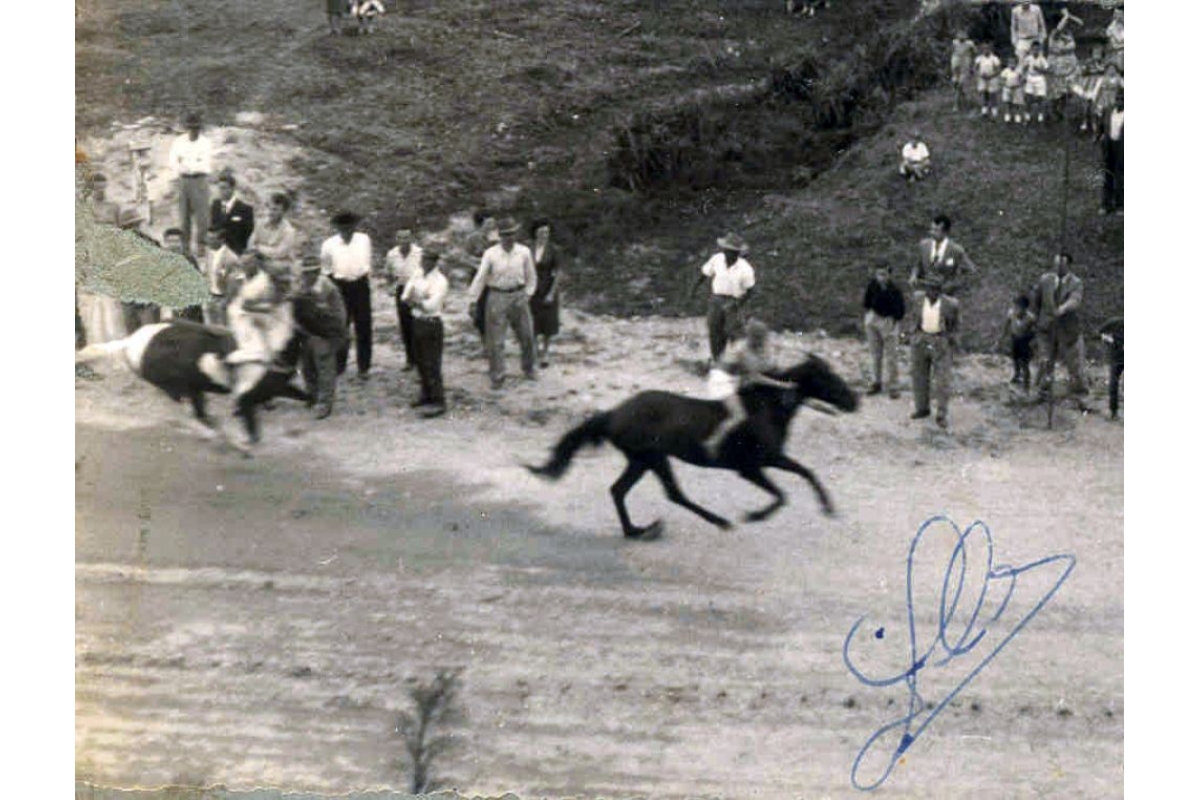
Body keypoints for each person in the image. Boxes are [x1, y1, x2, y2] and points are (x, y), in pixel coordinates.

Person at [702, 320, 795, 458]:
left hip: (737, 379)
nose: (766, 341)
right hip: (721, 381)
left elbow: (767, 367)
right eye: (763, 338)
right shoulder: (742, 351)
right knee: (739, 416)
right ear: (756, 338)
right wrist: (783, 385)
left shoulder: (753, 348)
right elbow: (756, 377)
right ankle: (713, 442)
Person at [468, 217, 538, 390]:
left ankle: (529, 368)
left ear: (516, 233)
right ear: (499, 236)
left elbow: (532, 277)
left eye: (512, 233)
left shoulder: (524, 252)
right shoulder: (490, 253)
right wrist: (473, 300)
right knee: (496, 340)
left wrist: (527, 295)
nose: (509, 238)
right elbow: (480, 278)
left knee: (527, 335)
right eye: (505, 235)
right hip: (497, 296)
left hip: (518, 295)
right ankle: (498, 375)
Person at [320, 210, 374, 379]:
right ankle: (339, 365)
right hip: (340, 286)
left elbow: (367, 263)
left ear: (354, 227)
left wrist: (363, 278)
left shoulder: (364, 240)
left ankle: (363, 367)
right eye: (342, 229)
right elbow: (326, 269)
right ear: (337, 228)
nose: (346, 232)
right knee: (341, 326)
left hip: (360, 284)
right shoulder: (329, 244)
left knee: (364, 326)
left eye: (349, 228)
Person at [293, 255, 347, 419]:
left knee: (325, 367)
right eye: (304, 272)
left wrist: (335, 336)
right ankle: (313, 394)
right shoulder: (301, 286)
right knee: (307, 366)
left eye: (310, 272)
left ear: (317, 272)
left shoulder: (327, 288)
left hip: (327, 332)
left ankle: (325, 402)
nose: (307, 275)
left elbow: (339, 316)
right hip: (308, 331)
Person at [402, 239, 451, 416]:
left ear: (434, 261)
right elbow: (405, 296)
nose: (423, 262)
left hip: (432, 324)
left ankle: (439, 400)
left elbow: (431, 305)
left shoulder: (441, 280)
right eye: (423, 258)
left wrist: (417, 299)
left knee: (432, 363)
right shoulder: (417, 274)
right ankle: (426, 394)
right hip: (417, 322)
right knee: (420, 361)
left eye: (428, 259)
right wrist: (419, 299)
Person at [690, 233, 756, 363]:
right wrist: (693, 290)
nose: (729, 254)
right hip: (716, 299)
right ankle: (717, 361)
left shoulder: (745, 269)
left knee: (735, 333)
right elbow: (704, 274)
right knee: (714, 330)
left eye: (733, 252)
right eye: (727, 251)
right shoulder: (716, 259)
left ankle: (742, 363)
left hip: (733, 301)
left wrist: (737, 304)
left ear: (738, 253)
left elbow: (750, 291)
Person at [1030, 252, 1087, 404]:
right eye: (1055, 264)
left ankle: (1080, 396)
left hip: (1068, 329)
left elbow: (1075, 300)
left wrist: (1062, 309)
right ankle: (1042, 392)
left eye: (1061, 265)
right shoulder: (1045, 279)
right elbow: (1036, 300)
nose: (1057, 267)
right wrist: (1033, 318)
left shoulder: (1076, 283)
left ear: (1068, 265)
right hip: (1046, 329)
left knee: (1075, 365)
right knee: (1045, 361)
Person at [908, 276, 960, 429]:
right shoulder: (917, 298)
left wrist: (951, 339)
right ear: (925, 288)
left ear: (941, 289)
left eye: (936, 288)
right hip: (921, 338)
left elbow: (956, 324)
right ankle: (922, 408)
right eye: (929, 288)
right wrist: (914, 334)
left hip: (940, 340)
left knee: (942, 378)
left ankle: (941, 413)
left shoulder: (951, 304)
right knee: (919, 375)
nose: (932, 291)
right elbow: (913, 315)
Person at [226, 253, 296, 366]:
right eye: (243, 263)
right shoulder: (255, 285)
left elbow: (282, 301)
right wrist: (267, 308)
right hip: (244, 314)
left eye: (249, 263)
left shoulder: (272, 285)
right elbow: (243, 305)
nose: (283, 284)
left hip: (266, 315)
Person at [167, 111, 213, 256]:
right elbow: (173, 162)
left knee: (202, 217)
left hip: (200, 180)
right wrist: (188, 165)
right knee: (183, 216)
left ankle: (201, 246)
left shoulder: (206, 143)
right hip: (183, 181)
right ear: (187, 128)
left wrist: (187, 164)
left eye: (196, 128)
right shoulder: (179, 142)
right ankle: (185, 247)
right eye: (191, 128)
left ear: (200, 128)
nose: (194, 131)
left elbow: (206, 164)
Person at [862, 262, 905, 398]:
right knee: (875, 354)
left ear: (889, 275)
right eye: (878, 274)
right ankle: (876, 383)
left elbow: (901, 309)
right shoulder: (872, 285)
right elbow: (866, 302)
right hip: (873, 319)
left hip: (888, 321)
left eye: (884, 274)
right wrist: (870, 316)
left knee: (891, 356)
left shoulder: (895, 290)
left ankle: (894, 386)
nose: (881, 277)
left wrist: (893, 321)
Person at [910, 214, 976, 297]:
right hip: (925, 294)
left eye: (936, 230)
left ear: (945, 232)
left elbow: (970, 272)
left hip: (946, 297)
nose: (932, 233)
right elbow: (917, 265)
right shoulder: (924, 245)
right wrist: (914, 275)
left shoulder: (956, 250)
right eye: (931, 229)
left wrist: (952, 285)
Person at [385, 228, 423, 372]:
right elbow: (388, 273)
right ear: (397, 239)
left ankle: (421, 359)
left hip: (417, 289)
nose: (404, 240)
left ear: (411, 238)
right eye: (400, 237)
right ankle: (410, 360)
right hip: (402, 290)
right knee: (405, 325)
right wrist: (390, 286)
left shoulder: (419, 253)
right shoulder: (392, 255)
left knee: (418, 323)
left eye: (406, 237)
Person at [529, 218, 562, 368]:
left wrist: (551, 293)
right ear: (535, 233)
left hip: (547, 286)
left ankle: (545, 352)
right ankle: (535, 351)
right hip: (531, 288)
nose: (544, 235)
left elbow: (559, 272)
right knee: (532, 320)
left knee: (548, 322)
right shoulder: (528, 248)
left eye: (547, 232)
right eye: (541, 232)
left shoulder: (554, 249)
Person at [247, 191, 301, 269]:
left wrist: (258, 248)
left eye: (275, 210)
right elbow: (251, 244)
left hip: (279, 269)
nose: (271, 212)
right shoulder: (260, 223)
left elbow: (278, 253)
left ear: (284, 212)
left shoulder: (289, 231)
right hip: (258, 262)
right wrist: (259, 250)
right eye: (270, 208)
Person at [209, 169, 255, 255]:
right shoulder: (215, 206)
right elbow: (211, 227)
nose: (221, 191)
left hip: (236, 252)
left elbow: (248, 234)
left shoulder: (245, 209)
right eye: (219, 188)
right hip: (216, 251)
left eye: (224, 188)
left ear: (232, 189)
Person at [997, 293, 1036, 394]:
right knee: (1015, 359)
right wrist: (1001, 338)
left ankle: (1026, 386)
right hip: (1015, 339)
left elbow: (1035, 332)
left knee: (1025, 363)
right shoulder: (1011, 314)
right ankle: (1017, 374)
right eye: (1015, 307)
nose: (1017, 310)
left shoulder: (1030, 318)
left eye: (1020, 308)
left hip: (1025, 342)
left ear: (1025, 308)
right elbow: (1006, 326)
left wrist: (1033, 343)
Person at [203, 226, 241, 326]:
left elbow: (235, 282)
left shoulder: (231, 258)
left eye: (212, 239)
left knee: (225, 327)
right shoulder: (208, 251)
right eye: (207, 238)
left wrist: (226, 301)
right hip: (211, 296)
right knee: (211, 327)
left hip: (224, 299)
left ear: (221, 240)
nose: (208, 241)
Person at [1046, 14, 1080, 122]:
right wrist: (1065, 17)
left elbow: (1080, 24)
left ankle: (1062, 109)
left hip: (1070, 65)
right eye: (1063, 23)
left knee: (1069, 90)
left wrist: (1070, 16)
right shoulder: (1054, 34)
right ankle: (1054, 110)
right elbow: (1058, 28)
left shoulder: (1069, 34)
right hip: (1057, 65)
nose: (1065, 25)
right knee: (1057, 91)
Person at [1099, 91, 1124, 216]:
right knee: (1108, 174)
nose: (1119, 102)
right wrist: (1101, 136)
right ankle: (1106, 204)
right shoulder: (1109, 111)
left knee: (1121, 177)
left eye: (1123, 99)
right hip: (1109, 147)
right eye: (1118, 99)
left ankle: (1120, 205)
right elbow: (1102, 126)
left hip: (1122, 148)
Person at [1098, 317, 1123, 420]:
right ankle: (1114, 412)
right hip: (1117, 357)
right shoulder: (1116, 322)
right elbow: (1100, 332)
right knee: (1113, 383)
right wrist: (1110, 340)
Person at [1022, 41, 1050, 124]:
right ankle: (1027, 116)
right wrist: (1023, 76)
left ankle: (1040, 116)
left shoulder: (1042, 59)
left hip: (1040, 78)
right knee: (1028, 97)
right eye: (1034, 49)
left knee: (1040, 98)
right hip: (1030, 78)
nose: (1035, 51)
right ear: (1031, 50)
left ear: (1040, 50)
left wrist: (1039, 69)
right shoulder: (1028, 58)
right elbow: (1024, 67)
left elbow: (1047, 70)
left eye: (1037, 49)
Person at [949, 30, 977, 112]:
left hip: (965, 63)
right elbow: (951, 52)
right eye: (960, 35)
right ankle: (963, 97)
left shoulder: (969, 44)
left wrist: (972, 66)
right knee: (955, 82)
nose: (961, 37)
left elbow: (974, 52)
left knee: (960, 83)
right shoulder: (954, 43)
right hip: (956, 63)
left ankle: (956, 104)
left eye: (963, 35)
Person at [974, 41, 1002, 118]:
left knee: (993, 94)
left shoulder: (994, 58)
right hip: (982, 78)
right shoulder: (979, 58)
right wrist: (980, 74)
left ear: (991, 49)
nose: (986, 50)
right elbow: (975, 68)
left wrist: (991, 75)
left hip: (992, 79)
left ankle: (994, 111)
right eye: (984, 49)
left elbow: (998, 70)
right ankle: (984, 110)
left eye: (988, 48)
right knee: (984, 94)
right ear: (982, 49)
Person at [1000, 55, 1026, 124]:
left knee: (1016, 103)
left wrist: (1019, 84)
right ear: (1008, 63)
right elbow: (1002, 80)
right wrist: (1005, 84)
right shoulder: (1005, 71)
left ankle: (1017, 116)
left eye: (1014, 63)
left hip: (1016, 89)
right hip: (1007, 89)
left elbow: (1022, 79)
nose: (1012, 65)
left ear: (1017, 63)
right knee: (1008, 103)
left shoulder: (1018, 71)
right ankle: (1008, 116)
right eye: (1010, 63)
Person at [1106, 7, 1124, 73]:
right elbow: (1114, 46)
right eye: (1115, 14)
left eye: (1118, 14)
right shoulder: (1111, 29)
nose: (1115, 15)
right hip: (1118, 55)